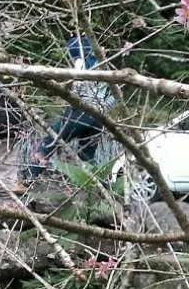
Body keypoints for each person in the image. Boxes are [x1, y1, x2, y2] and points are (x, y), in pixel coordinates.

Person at [15, 35, 115, 190]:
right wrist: (101, 110)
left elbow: (77, 89)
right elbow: (114, 96)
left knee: (50, 142)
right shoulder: (105, 66)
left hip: (81, 113)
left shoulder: (81, 62)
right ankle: (99, 192)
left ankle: (26, 180)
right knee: (87, 156)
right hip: (99, 119)